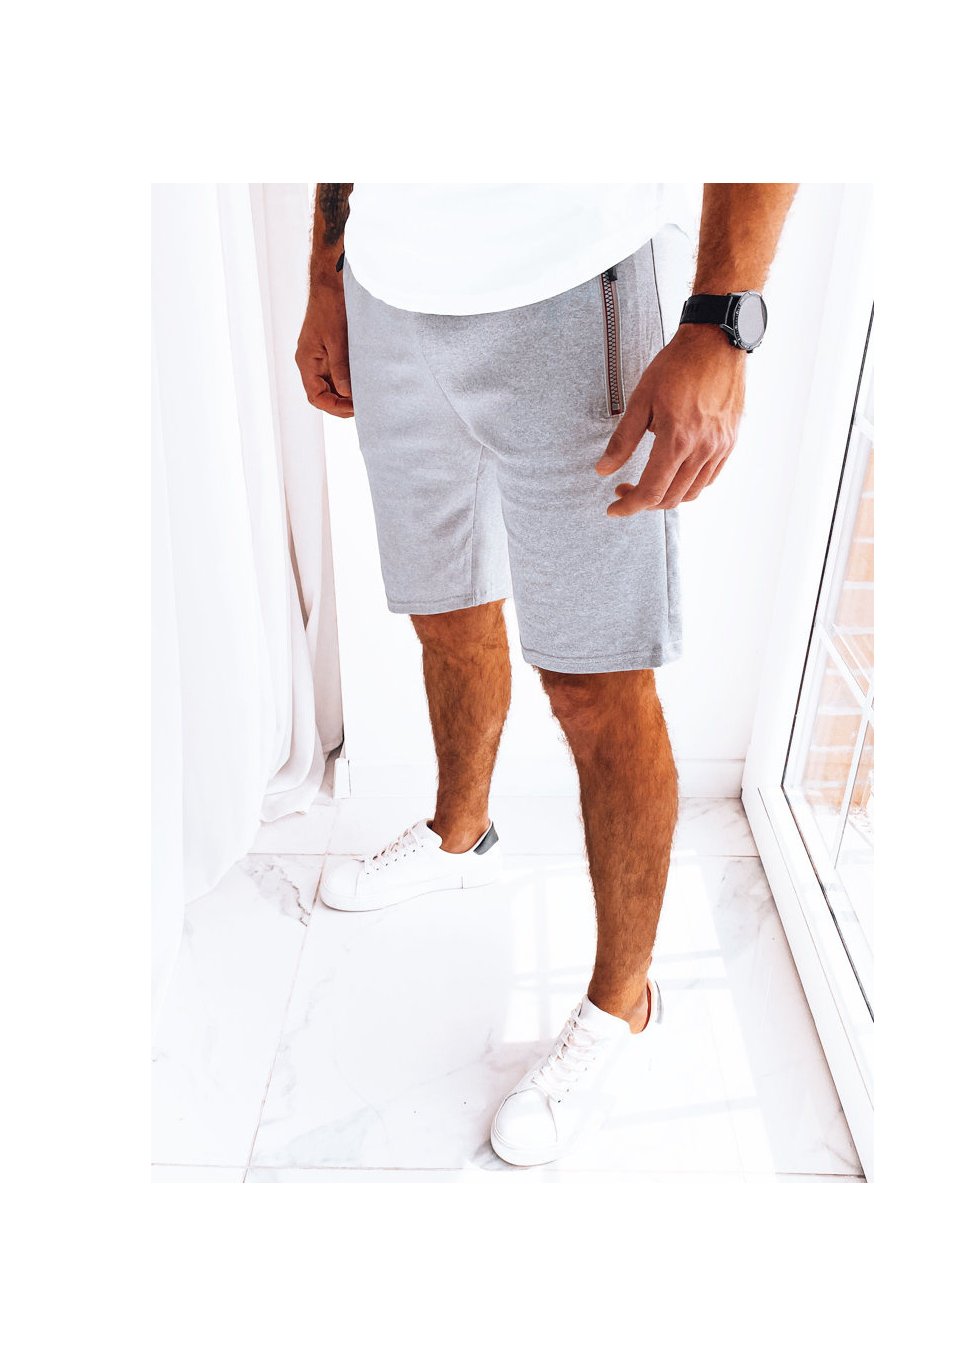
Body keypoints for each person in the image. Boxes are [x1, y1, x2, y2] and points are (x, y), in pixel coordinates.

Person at [295, 183, 797, 1167]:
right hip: (387, 292)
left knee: (595, 683)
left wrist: (721, 324)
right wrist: (327, 275)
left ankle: (623, 1001)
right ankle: (460, 835)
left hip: (569, 286)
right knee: (444, 608)